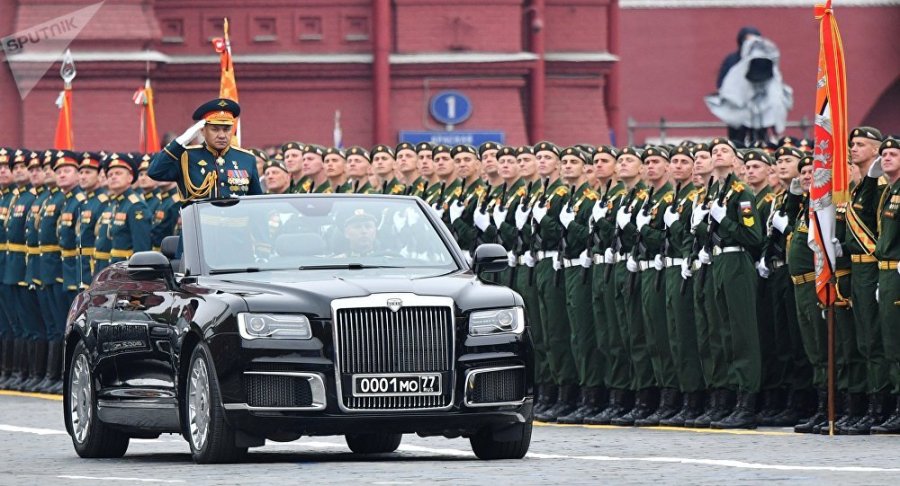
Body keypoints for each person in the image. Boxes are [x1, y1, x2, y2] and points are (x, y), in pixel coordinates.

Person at [148, 98, 262, 202]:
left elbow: (256, 201)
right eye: (215, 129)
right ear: (202, 131)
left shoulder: (246, 159)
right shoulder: (186, 157)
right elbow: (155, 172)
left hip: (238, 223)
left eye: (227, 129)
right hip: (201, 224)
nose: (222, 135)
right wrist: (181, 141)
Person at [872, 136, 900, 435]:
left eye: (893, 153)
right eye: (885, 153)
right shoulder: (888, 191)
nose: (887, 157)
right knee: (890, 343)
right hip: (887, 271)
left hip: (898, 270)